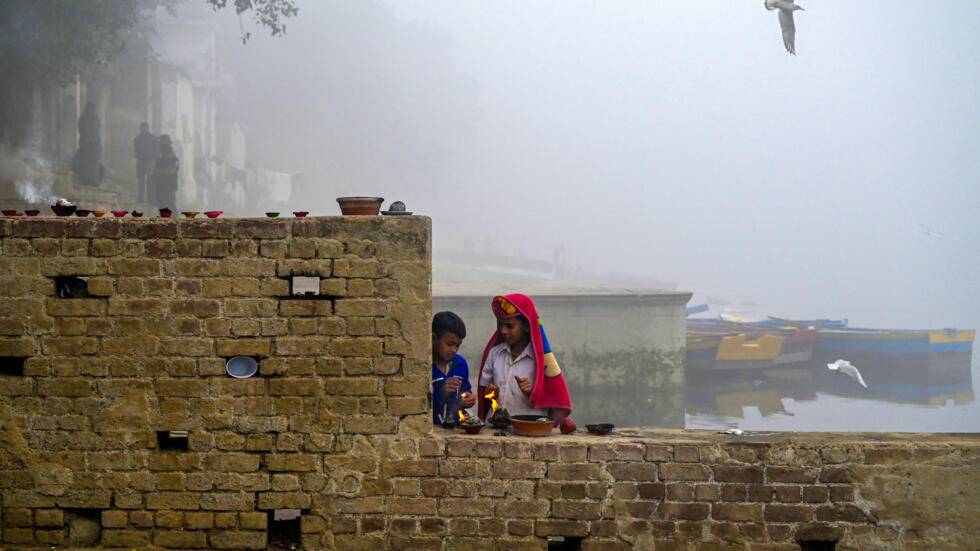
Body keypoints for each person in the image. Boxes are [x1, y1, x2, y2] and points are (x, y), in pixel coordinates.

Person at [478, 294, 576, 433]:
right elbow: (484, 393)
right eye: (500, 325)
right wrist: (491, 392)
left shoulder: (542, 361)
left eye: (509, 326)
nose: (503, 331)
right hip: (495, 427)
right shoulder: (495, 353)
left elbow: (553, 397)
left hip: (531, 429)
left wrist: (532, 392)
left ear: (527, 327)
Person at [431, 311, 476, 425]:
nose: (454, 350)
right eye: (449, 344)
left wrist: (468, 400)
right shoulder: (423, 367)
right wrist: (441, 392)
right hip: (431, 429)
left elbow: (465, 390)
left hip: (455, 429)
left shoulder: (460, 364)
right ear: (433, 338)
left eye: (458, 345)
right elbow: (417, 405)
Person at [151, 134, 179, 210]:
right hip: (162, 185)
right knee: (162, 205)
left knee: (169, 205)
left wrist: (161, 172)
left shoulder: (174, 159)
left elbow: (171, 171)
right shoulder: (159, 159)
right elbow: (155, 172)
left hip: (169, 185)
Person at [133, 122, 159, 202]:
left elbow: (156, 150)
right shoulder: (137, 139)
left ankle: (150, 198)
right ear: (140, 129)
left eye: (145, 128)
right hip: (141, 161)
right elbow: (136, 150)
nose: (144, 129)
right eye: (142, 128)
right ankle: (141, 197)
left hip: (150, 161)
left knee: (150, 181)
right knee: (141, 180)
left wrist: (153, 159)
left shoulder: (153, 138)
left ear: (148, 128)